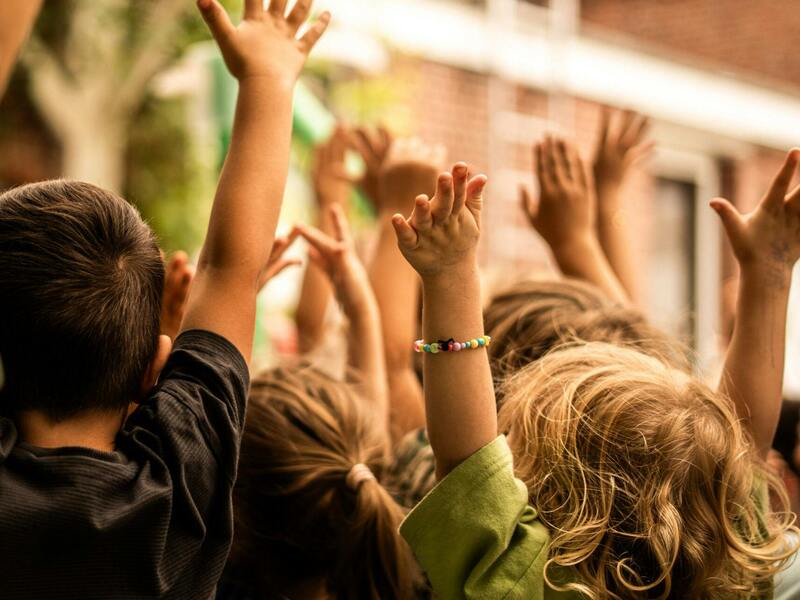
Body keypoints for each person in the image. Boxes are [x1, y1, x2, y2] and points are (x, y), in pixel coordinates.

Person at [0, 0, 328, 597]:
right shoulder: (177, 498)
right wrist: (270, 76)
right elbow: (230, 268)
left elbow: (229, 269)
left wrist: (266, 79)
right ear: (154, 364)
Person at [393, 151, 800, 598]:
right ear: (725, 497)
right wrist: (772, 270)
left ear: (552, 481)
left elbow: (463, 457)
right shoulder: (731, 571)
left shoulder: (523, 582)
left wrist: (449, 273)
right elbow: (745, 439)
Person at [218, 207, 418, 600]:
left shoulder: (195, 577)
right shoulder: (375, 578)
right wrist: (360, 310)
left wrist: (225, 303)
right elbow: (363, 442)